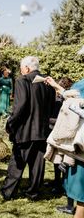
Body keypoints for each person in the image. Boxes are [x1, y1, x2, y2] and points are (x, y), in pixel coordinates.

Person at [1, 56, 55, 200]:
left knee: (17, 163)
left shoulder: (22, 80)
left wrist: (10, 124)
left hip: (24, 129)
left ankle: (8, 192)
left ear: (27, 68)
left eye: (21, 67)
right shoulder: (48, 82)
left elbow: (20, 106)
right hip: (42, 129)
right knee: (38, 163)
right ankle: (34, 192)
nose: (20, 70)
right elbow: (51, 106)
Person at [45, 76, 84, 218]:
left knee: (80, 188)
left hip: (80, 144)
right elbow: (70, 95)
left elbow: (72, 98)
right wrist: (55, 85)